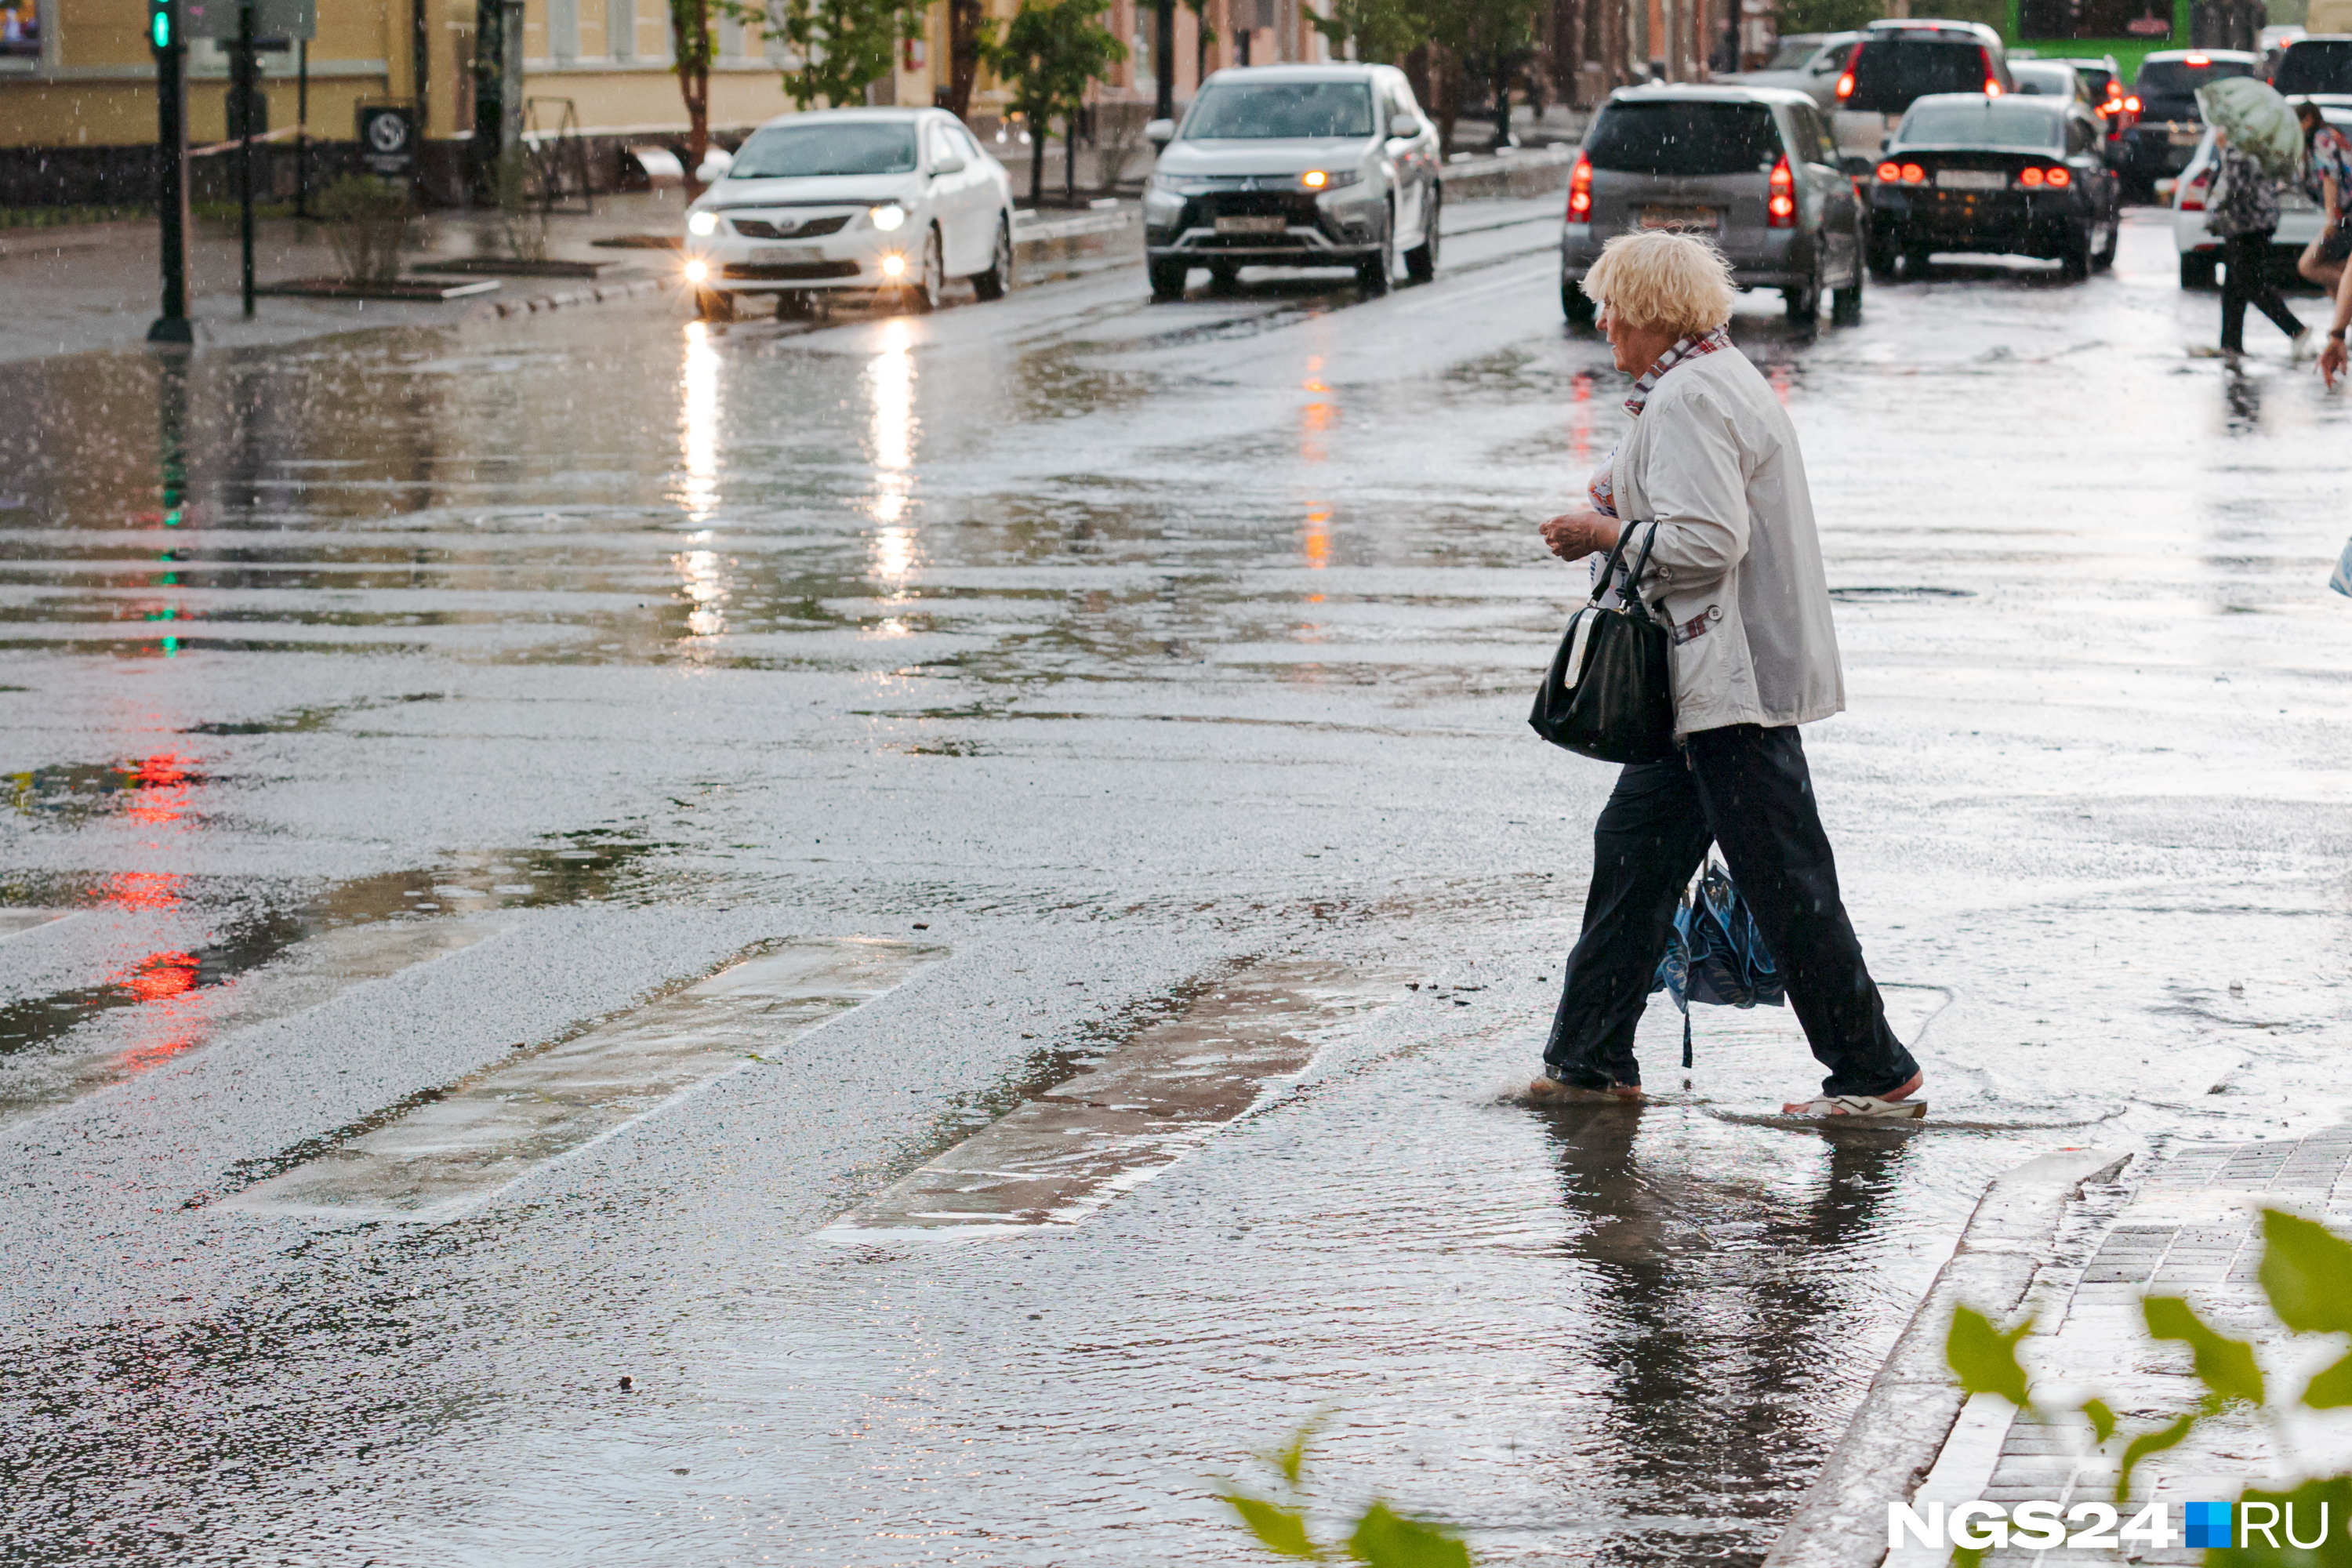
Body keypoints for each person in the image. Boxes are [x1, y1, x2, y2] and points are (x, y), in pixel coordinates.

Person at [1528, 230, 1925, 1120]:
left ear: (1650, 314)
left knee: (1786, 885)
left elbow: (1709, 540)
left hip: (1724, 680)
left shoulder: (1689, 397)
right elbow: (1684, 493)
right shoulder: (1707, 381)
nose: (1603, 324)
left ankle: (1872, 1072)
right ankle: (1589, 1058)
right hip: (1703, 683)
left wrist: (1600, 536)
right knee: (1633, 858)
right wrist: (1615, 498)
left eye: (1614, 309)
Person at [2203, 128, 2307, 358]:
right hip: (2252, 222)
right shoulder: (2251, 143)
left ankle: (2296, 329)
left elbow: (2236, 189)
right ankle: (2230, 344)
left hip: (2249, 224)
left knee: (2249, 281)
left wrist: (2214, 212)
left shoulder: (2237, 148)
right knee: (2233, 284)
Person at [2295, 101, 2352, 294]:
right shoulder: (2325, 137)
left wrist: (2330, 219)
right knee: (2330, 268)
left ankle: (2347, 292)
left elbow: (2329, 178)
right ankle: (2341, 321)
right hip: (2342, 215)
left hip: (2343, 216)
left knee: (2309, 265)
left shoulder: (2322, 138)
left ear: (2308, 119)